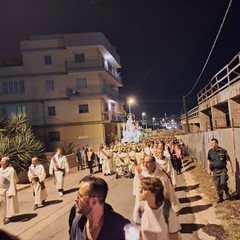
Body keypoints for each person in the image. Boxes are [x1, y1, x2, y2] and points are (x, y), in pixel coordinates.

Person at [70, 176, 130, 240]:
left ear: (94, 201)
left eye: (80, 196)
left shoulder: (121, 227)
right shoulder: (77, 223)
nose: (76, 200)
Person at [207, 138, 234, 203]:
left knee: (223, 183)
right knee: (217, 185)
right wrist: (208, 169)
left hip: (222, 170)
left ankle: (226, 192)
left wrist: (231, 169)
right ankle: (220, 197)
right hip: (215, 171)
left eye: (213, 143)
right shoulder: (210, 151)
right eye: (211, 143)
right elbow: (209, 160)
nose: (211, 144)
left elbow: (229, 160)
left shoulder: (223, 151)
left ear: (217, 143)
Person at [0, 157, 19, 225]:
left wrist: (12, 191)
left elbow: (14, 181)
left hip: (9, 189)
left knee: (9, 204)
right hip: (1, 190)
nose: (1, 163)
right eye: (1, 161)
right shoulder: (0, 170)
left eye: (3, 161)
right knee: (2, 204)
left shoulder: (11, 170)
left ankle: (8, 217)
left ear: (7, 163)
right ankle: (4, 215)